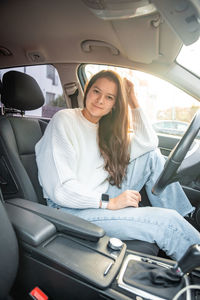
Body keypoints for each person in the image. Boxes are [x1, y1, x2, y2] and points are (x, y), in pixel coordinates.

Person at [35, 70, 200, 261]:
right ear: (87, 91)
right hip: (71, 209)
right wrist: (110, 202)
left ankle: (186, 219)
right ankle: (182, 234)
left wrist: (133, 100)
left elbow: (148, 144)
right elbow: (61, 190)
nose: (100, 100)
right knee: (168, 223)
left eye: (109, 97)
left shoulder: (103, 127)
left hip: (99, 192)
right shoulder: (64, 120)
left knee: (151, 156)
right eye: (96, 91)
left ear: (114, 105)